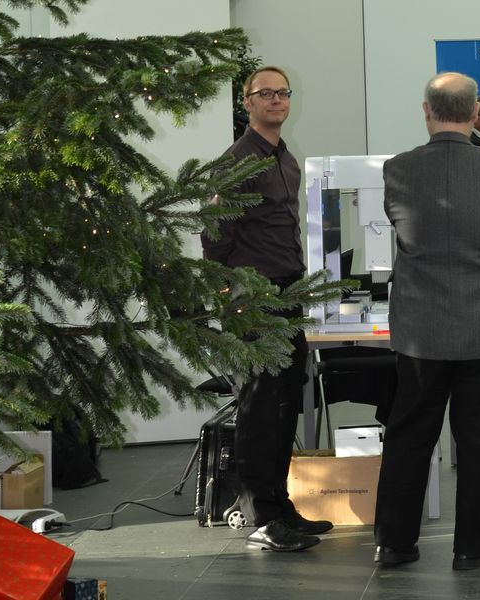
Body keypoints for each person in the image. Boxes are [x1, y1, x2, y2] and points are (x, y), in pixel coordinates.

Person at [373, 72, 480, 571]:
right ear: (474, 112)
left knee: (408, 435)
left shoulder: (398, 169)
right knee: (478, 439)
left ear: (427, 111)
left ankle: (394, 543)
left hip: (421, 331)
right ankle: (471, 546)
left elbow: (400, 225)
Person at [201, 66, 331, 553]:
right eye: (266, 93)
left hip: (289, 291)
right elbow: (215, 237)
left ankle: (280, 506)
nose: (276, 100)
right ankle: (261, 515)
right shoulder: (235, 162)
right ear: (247, 102)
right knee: (258, 407)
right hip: (253, 298)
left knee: (284, 402)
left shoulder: (286, 159)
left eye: (283, 93)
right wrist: (231, 299)